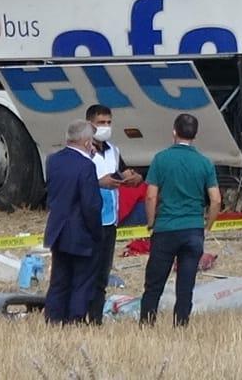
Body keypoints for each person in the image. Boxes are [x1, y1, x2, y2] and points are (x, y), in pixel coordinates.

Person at [139, 112, 223, 327]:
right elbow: (215, 200)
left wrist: (150, 222)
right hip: (193, 229)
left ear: (174, 132)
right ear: (195, 135)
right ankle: (181, 325)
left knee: (154, 283)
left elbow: (150, 195)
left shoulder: (161, 159)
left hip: (166, 227)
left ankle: (147, 323)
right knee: (186, 285)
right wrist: (207, 226)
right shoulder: (204, 163)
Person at [82, 104, 142, 323]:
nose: (106, 127)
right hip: (88, 220)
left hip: (109, 221)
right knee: (85, 272)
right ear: (90, 124)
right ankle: (79, 316)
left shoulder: (113, 150)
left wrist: (135, 179)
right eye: (101, 123)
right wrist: (100, 183)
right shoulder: (83, 151)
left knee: (101, 274)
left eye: (109, 122)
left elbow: (122, 172)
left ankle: (95, 318)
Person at [43, 120, 104, 325]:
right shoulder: (87, 166)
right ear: (87, 143)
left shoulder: (52, 161)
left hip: (57, 230)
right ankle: (75, 321)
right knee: (82, 281)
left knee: (59, 280)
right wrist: (97, 233)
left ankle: (53, 318)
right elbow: (91, 205)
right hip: (81, 232)